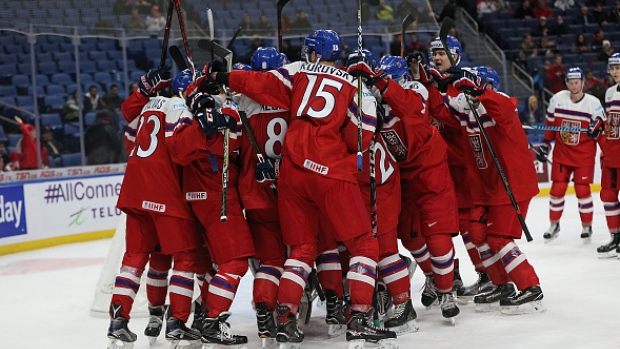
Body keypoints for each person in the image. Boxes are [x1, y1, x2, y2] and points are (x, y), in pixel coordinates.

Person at [211, 29, 397, 347]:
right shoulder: (355, 86)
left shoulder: (298, 71)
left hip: (292, 173)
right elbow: (359, 141)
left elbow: (261, 83)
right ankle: (360, 318)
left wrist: (226, 76)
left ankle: (285, 319)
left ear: (311, 53)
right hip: (330, 173)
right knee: (364, 245)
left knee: (300, 250)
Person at [425, 64, 545, 315]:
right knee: (477, 232)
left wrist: (479, 90)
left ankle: (531, 287)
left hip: (511, 184)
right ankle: (501, 284)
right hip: (487, 187)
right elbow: (439, 110)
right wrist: (434, 86)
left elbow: (503, 105)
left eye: (479, 85)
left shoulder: (498, 101)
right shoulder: (467, 107)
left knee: (499, 238)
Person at [353, 53, 460, 323]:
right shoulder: (374, 98)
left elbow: (411, 108)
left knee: (436, 236)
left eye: (386, 79)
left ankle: (447, 290)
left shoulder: (415, 90)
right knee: (410, 236)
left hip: (431, 172)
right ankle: (432, 277)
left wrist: (382, 83)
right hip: (401, 176)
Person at [108, 66, 203, 349]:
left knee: (134, 259)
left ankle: (118, 321)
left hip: (135, 191)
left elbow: (127, 127)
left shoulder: (148, 106)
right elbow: (181, 152)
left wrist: (142, 91)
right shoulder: (181, 109)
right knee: (185, 258)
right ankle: (177, 323)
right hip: (164, 192)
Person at [166, 68, 253, 347]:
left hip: (194, 199)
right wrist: (213, 127)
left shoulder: (187, 116)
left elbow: (180, 151)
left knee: (207, 266)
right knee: (236, 261)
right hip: (218, 199)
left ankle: (186, 319)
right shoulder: (217, 114)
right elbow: (235, 147)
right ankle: (212, 321)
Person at [537, 67, 605, 241]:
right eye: (571, 82)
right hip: (562, 154)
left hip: (584, 156)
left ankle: (587, 226)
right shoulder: (557, 100)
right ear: (567, 83)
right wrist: (545, 145)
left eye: (577, 82)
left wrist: (605, 148)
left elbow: (601, 131)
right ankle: (554, 225)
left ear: (582, 82)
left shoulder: (594, 103)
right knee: (557, 189)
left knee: (582, 191)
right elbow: (549, 128)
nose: (574, 86)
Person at [589, 53, 620, 257]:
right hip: (612, 153)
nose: (615, 72)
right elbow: (611, 121)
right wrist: (600, 124)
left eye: (618, 68)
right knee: (608, 196)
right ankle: (616, 236)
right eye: (613, 68)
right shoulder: (609, 93)